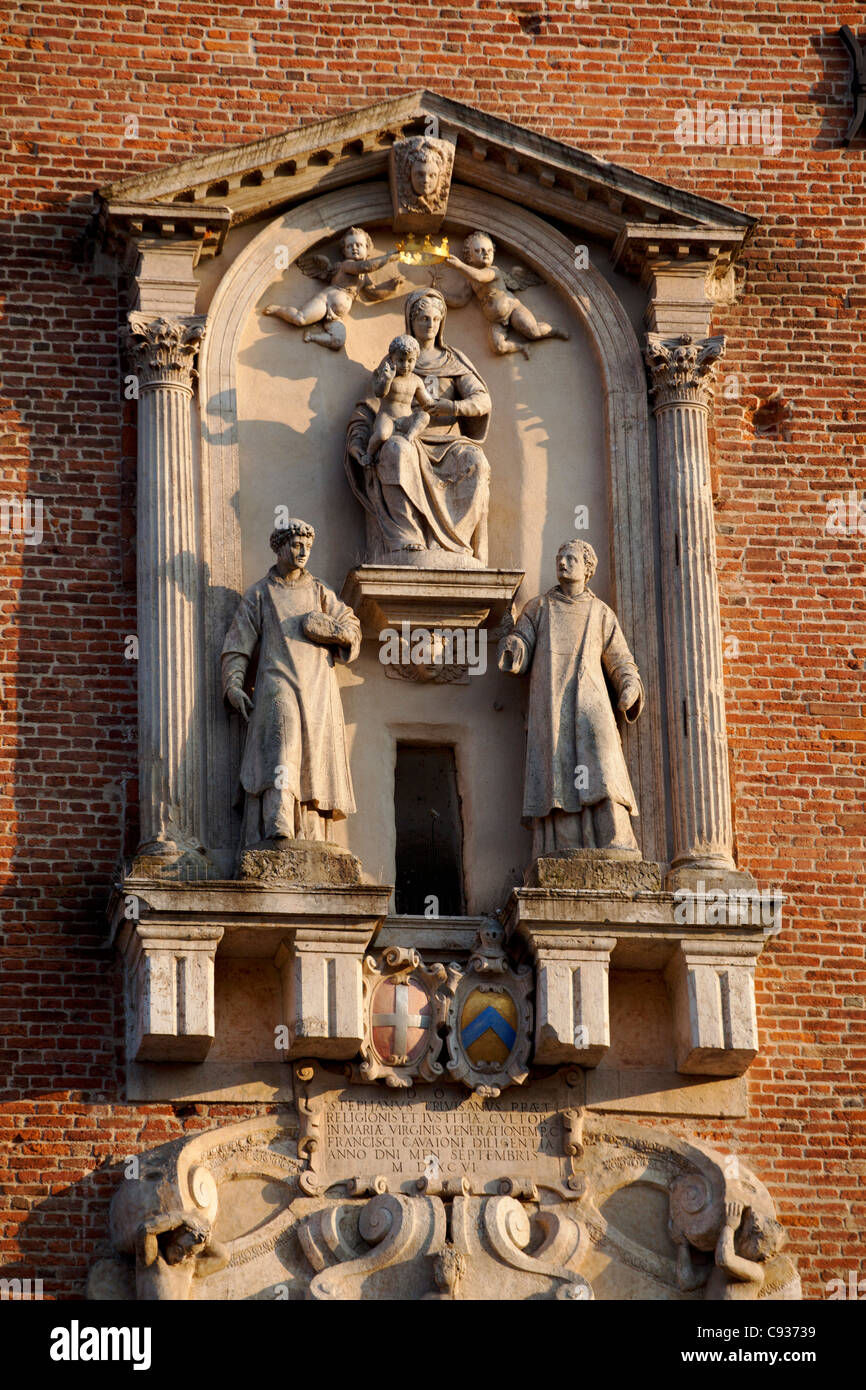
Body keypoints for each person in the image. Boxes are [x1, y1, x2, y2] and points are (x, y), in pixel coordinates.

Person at [499, 539, 644, 859]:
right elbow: (520, 646)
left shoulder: (600, 613)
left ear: (587, 568)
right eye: (559, 557)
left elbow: (620, 660)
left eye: (571, 558)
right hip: (550, 704)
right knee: (558, 773)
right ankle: (561, 845)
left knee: (605, 764)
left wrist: (630, 686)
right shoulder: (537, 608)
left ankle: (615, 838)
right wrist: (511, 643)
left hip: (591, 703)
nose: (562, 563)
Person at [221, 519, 361, 847]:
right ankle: (277, 822)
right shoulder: (261, 593)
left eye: (307, 547)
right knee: (281, 749)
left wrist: (332, 630)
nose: (302, 552)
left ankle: (309, 834)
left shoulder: (320, 592)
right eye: (296, 545)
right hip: (276, 683)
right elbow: (238, 642)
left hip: (317, 688)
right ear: (280, 547)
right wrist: (233, 682)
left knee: (313, 758)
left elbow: (351, 627)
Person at [345, 288, 492, 563]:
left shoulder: (453, 361)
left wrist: (453, 407)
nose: (429, 325)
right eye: (423, 318)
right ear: (411, 321)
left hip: (448, 443)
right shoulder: (394, 362)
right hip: (404, 435)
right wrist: (358, 439)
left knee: (476, 461)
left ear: (442, 323)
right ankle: (406, 538)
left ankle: (454, 546)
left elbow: (482, 401)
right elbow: (371, 404)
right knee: (396, 451)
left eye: (435, 319)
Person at [262, 227, 401, 351]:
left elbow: (372, 292)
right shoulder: (347, 265)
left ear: (367, 248)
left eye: (359, 245)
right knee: (300, 319)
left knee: (338, 340)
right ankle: (278, 310)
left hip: (337, 314)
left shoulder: (364, 277)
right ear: (344, 251)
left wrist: (390, 287)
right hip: (327, 300)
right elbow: (365, 266)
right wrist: (387, 258)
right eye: (349, 246)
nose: (354, 248)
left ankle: (312, 336)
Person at [443, 231, 570, 357]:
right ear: (469, 256)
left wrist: (459, 265)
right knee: (498, 347)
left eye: (489, 250)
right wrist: (441, 294)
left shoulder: (494, 271)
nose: (486, 253)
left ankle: (555, 331)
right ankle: (521, 346)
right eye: (479, 250)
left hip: (512, 308)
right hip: (495, 320)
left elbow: (480, 277)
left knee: (533, 332)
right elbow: (461, 299)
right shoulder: (469, 280)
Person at [359, 334, 436, 470]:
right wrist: (387, 379)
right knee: (382, 435)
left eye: (410, 361)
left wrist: (437, 404)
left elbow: (426, 402)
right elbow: (379, 393)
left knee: (424, 416)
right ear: (391, 358)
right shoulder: (389, 376)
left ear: (416, 359)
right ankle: (369, 454)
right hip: (387, 417)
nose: (405, 365)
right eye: (400, 360)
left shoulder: (416, 380)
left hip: (406, 420)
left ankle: (410, 436)